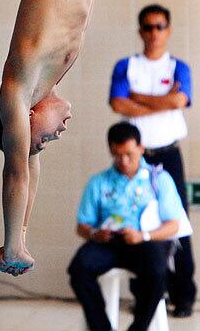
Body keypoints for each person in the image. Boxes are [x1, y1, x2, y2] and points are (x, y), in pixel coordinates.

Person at [0, 0, 98, 276]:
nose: (58, 134)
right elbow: (30, 167)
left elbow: (19, 170)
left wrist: (13, 244)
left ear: (26, 120)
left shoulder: (21, 85)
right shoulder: (50, 76)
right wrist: (22, 233)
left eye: (44, 140)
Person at [109, 4, 196, 317]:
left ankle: (183, 295)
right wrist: (163, 103)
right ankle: (146, 294)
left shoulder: (178, 67)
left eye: (159, 26)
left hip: (168, 153)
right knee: (136, 219)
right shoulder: (126, 66)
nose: (154, 32)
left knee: (177, 223)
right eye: (148, 27)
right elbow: (119, 102)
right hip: (136, 158)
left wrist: (140, 98)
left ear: (168, 30)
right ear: (140, 30)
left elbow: (181, 99)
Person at [68, 122, 182, 331]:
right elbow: (82, 226)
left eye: (129, 154)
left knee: (158, 272)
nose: (124, 161)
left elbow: (174, 225)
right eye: (117, 155)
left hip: (146, 241)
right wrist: (95, 233)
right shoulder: (98, 182)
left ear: (141, 147)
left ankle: (138, 328)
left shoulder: (160, 179)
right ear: (111, 150)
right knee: (79, 268)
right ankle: (101, 327)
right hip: (109, 243)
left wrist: (143, 235)